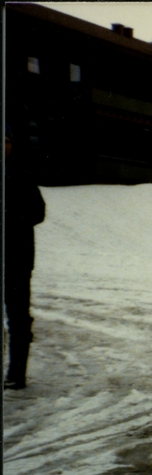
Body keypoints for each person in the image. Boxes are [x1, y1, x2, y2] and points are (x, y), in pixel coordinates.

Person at [4, 124, 46, 391]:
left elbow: (38, 213)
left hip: (17, 260)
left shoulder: (22, 177)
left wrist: (11, 219)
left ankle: (16, 374)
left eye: (6, 140)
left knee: (18, 318)